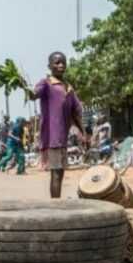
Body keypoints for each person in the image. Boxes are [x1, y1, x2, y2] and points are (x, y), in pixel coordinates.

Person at [29, 51, 84, 198]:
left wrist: (83, 133)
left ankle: (57, 202)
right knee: (56, 173)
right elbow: (34, 94)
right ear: (49, 66)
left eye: (63, 62)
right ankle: (56, 205)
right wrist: (26, 88)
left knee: (60, 172)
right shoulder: (46, 83)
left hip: (63, 138)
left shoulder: (68, 88)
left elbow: (76, 112)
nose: (61, 65)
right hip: (52, 138)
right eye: (57, 62)